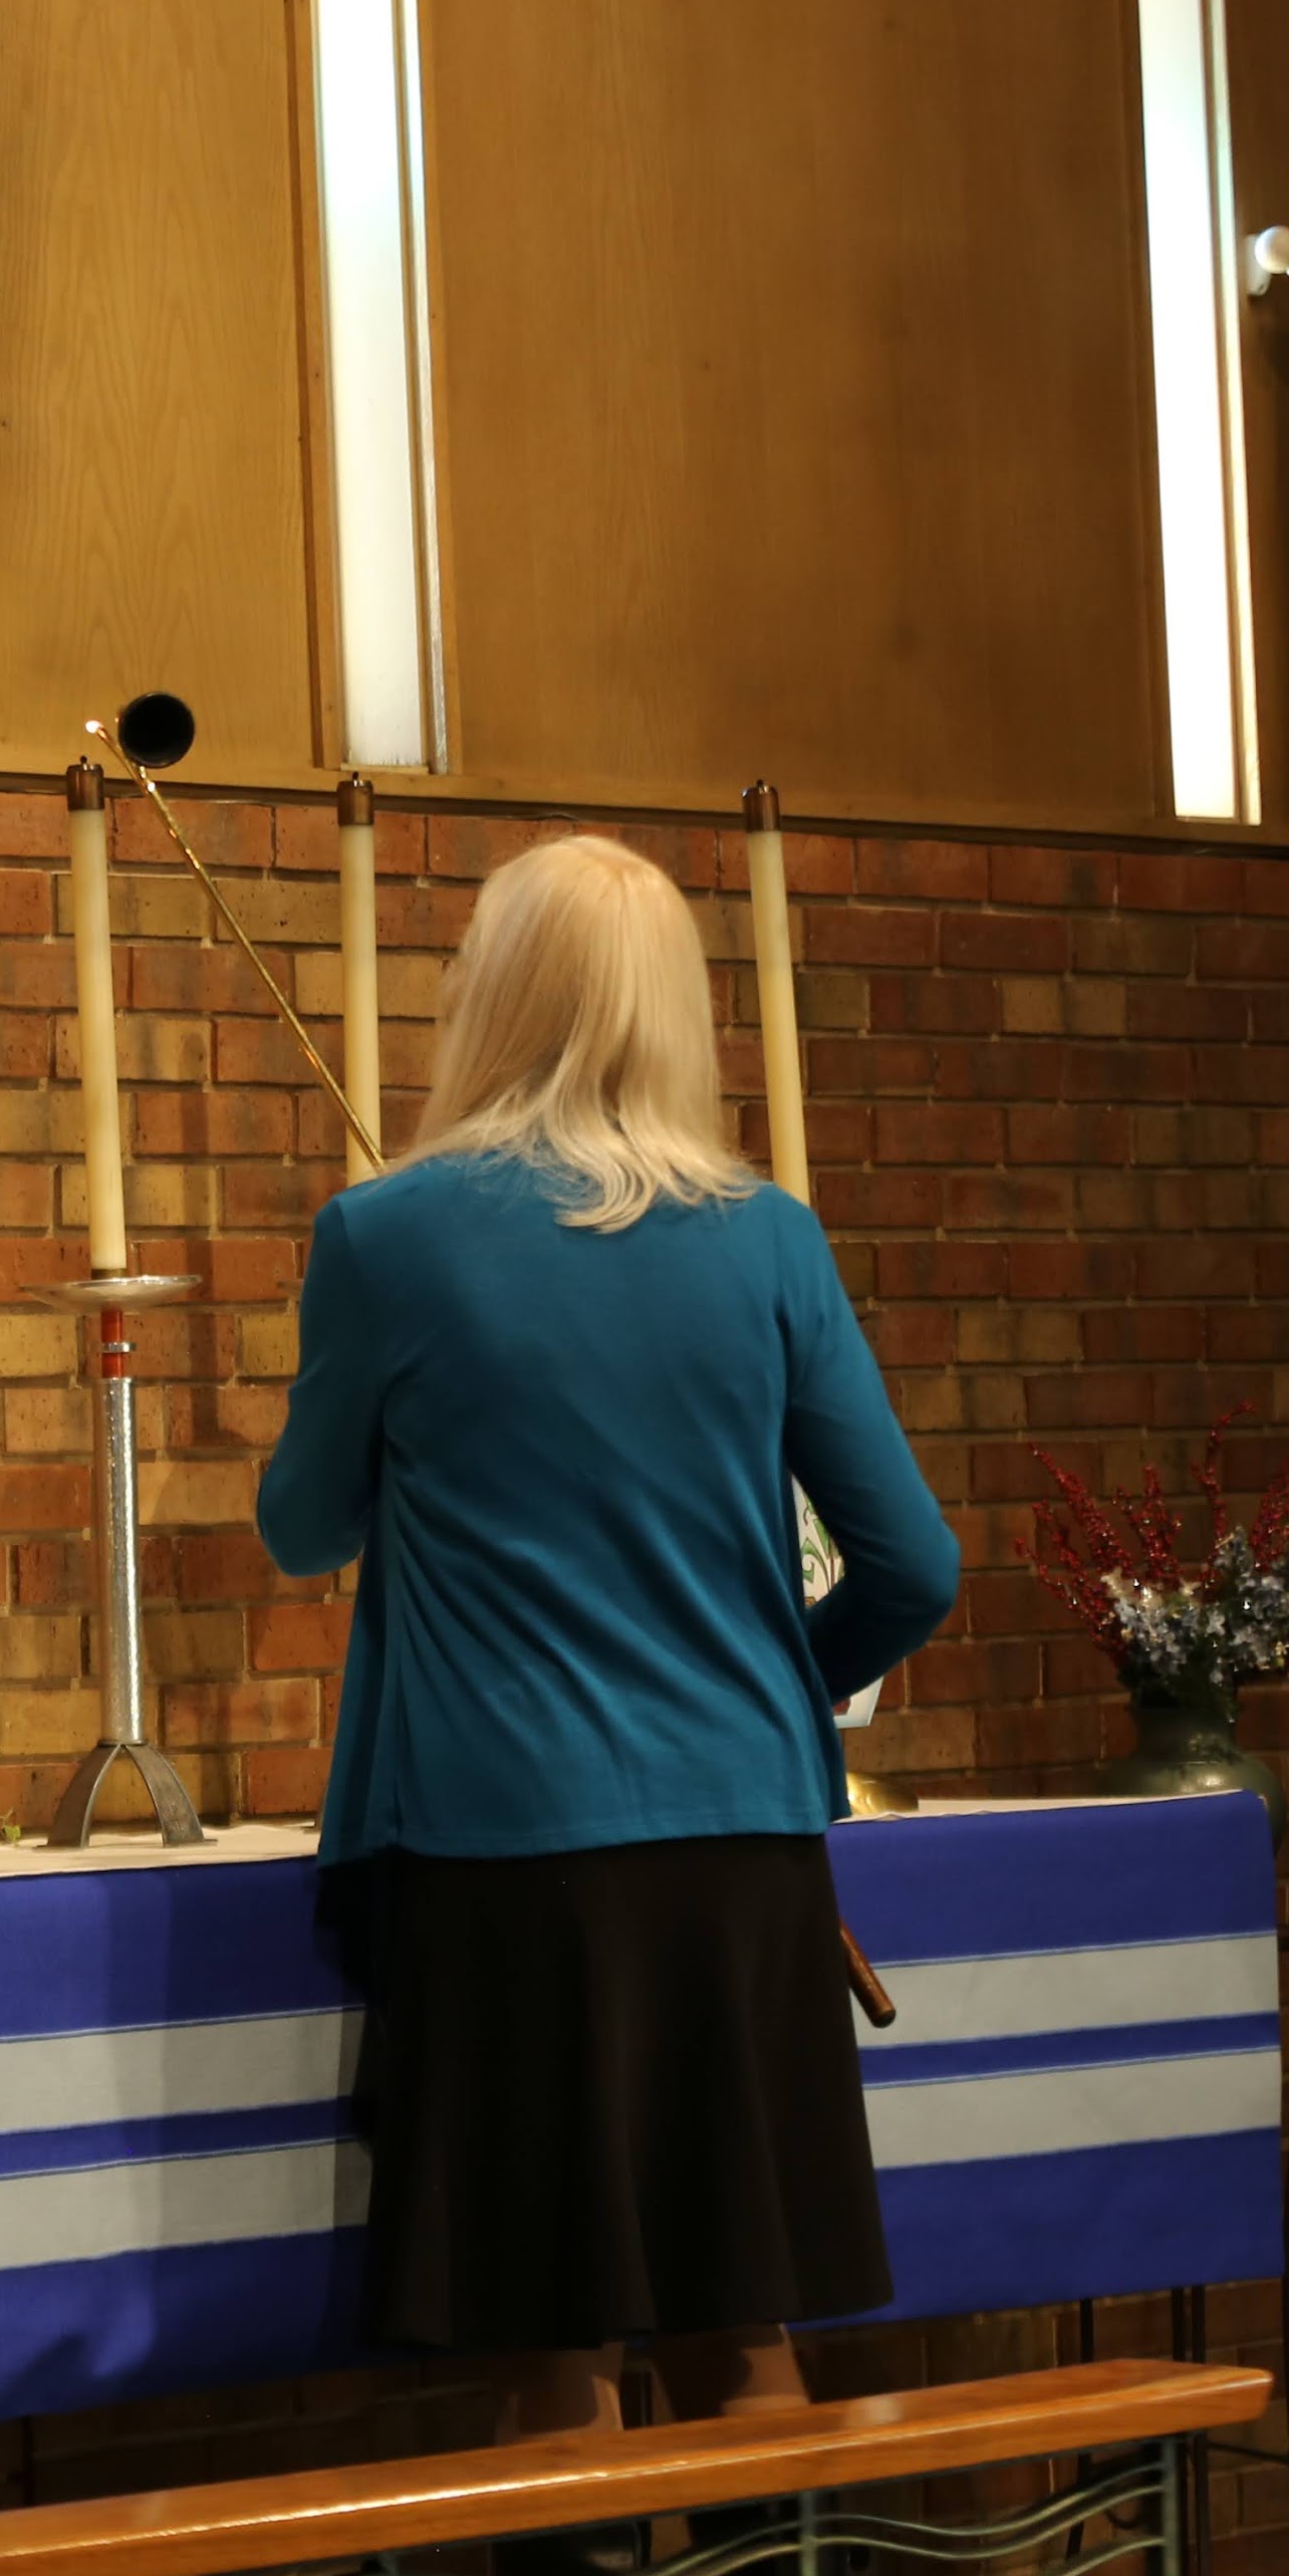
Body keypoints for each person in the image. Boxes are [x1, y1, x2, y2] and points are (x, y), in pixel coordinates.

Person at [257, 831, 960, 2489]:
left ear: (488, 999)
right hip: (745, 1856)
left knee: (551, 2347)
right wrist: (775, 1684)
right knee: (745, 2328)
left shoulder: (387, 1236)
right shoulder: (770, 1239)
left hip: (508, 1856)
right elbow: (915, 1566)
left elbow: (303, 1525)